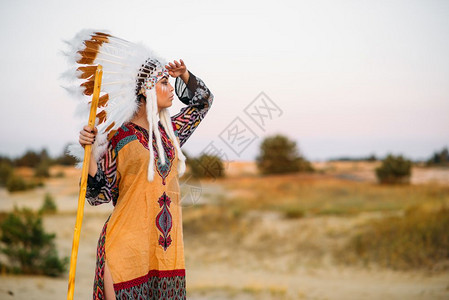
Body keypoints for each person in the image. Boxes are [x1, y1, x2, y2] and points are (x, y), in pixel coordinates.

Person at [67, 31, 213, 299]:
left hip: (165, 255)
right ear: (145, 90)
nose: (171, 89)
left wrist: (185, 76)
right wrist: (89, 151)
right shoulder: (118, 137)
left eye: (171, 84)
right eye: (165, 83)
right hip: (125, 250)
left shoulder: (171, 132)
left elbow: (203, 103)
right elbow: (98, 195)